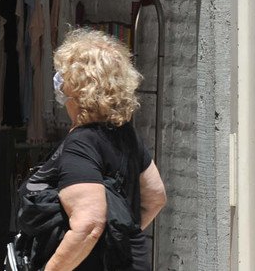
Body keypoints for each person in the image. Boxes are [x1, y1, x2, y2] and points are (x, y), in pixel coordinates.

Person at [27, 29, 167, 270]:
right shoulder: (126, 134)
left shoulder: (81, 144)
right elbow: (155, 197)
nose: (59, 83)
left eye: (64, 76)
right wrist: (118, 239)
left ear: (77, 87)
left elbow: (89, 225)